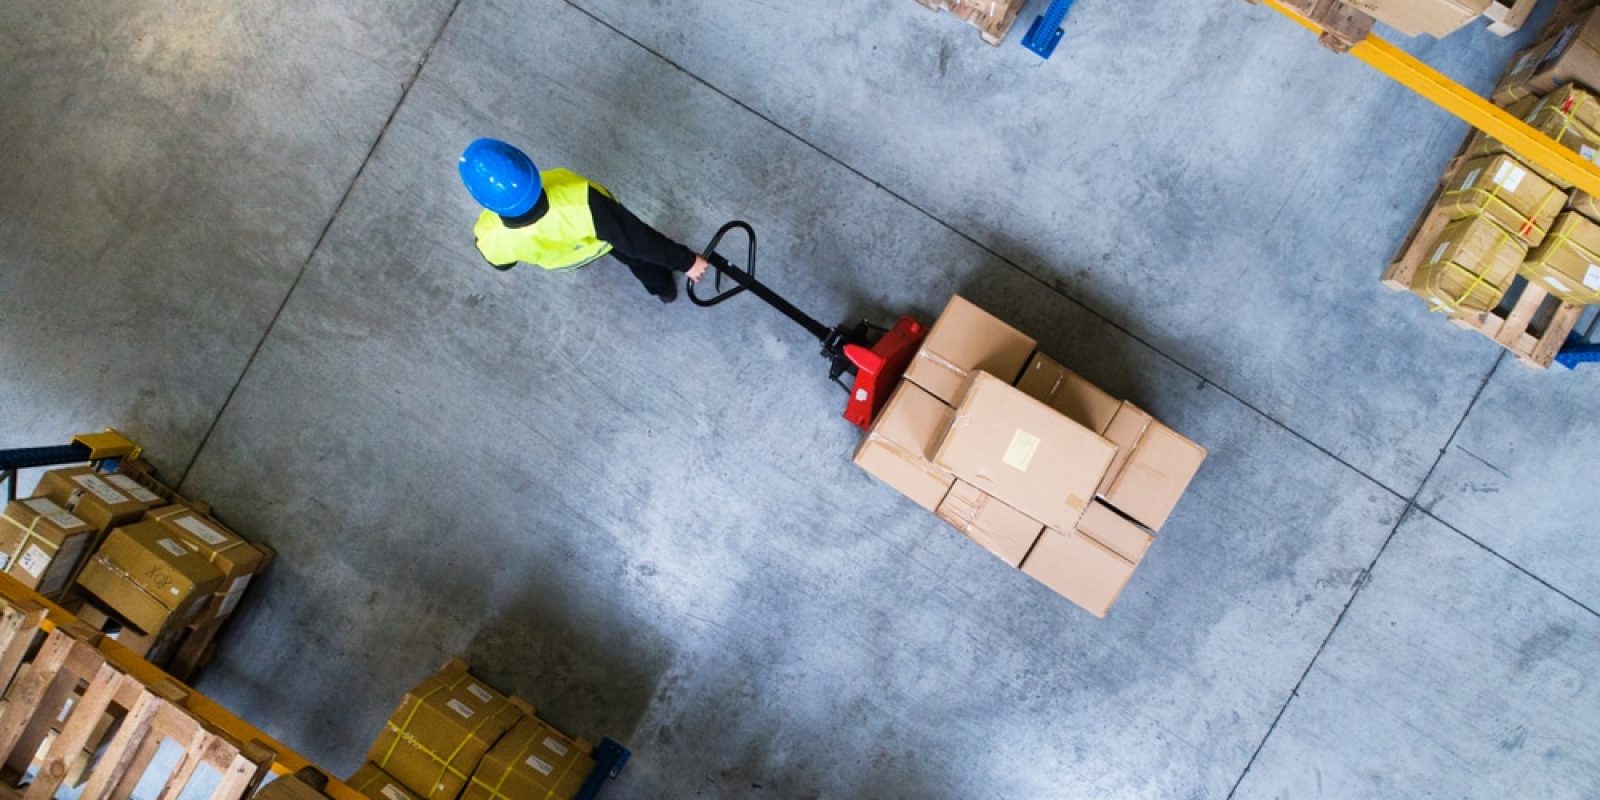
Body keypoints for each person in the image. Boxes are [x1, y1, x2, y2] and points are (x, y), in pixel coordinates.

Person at [458, 138, 710, 303]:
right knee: (637, 258)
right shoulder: (582, 204)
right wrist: (686, 261)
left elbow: (502, 264)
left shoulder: (488, 236)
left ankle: (663, 292)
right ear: (529, 169)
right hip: (601, 241)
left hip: (567, 258)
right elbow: (638, 240)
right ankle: (663, 288)